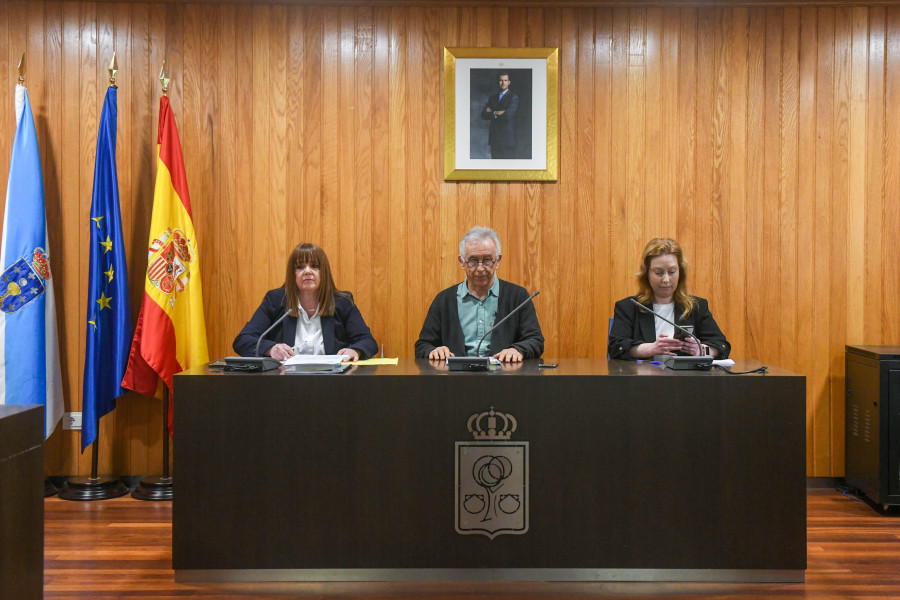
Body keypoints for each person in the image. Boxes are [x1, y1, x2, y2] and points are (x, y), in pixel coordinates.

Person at [415, 226, 543, 363]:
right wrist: (434, 351)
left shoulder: (518, 297)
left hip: (504, 379)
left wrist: (518, 349)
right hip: (455, 380)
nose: (480, 268)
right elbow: (422, 346)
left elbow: (535, 341)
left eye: (487, 260)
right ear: (462, 262)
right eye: (473, 261)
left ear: (498, 261)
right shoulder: (444, 300)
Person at [233, 243, 377, 362]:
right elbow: (243, 340)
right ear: (292, 273)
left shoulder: (342, 302)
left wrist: (355, 350)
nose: (307, 271)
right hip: (284, 383)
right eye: (300, 267)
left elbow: (368, 341)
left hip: (332, 382)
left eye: (315, 266)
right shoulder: (276, 300)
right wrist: (270, 349)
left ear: (324, 272)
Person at [608, 238, 730, 360]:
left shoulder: (696, 306)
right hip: (643, 377)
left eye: (672, 272)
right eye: (658, 273)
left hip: (685, 378)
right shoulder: (628, 307)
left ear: (680, 273)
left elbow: (722, 345)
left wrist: (702, 350)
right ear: (647, 274)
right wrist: (650, 349)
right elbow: (615, 347)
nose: (666, 279)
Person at [480, 72, 519, 159]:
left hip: (507, 140)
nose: (503, 83)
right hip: (494, 139)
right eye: (501, 80)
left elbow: (507, 116)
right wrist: (497, 112)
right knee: (495, 167)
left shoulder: (513, 97)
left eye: (505, 80)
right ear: (498, 82)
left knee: (507, 168)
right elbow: (484, 115)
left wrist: (492, 112)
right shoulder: (493, 98)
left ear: (509, 82)